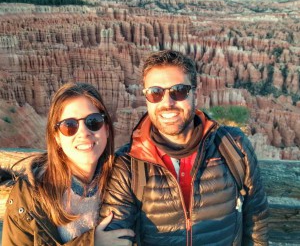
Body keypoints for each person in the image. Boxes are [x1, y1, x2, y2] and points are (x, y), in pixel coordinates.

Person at [100, 50, 269, 245]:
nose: (167, 103)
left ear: (195, 92)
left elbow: (256, 219)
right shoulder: (128, 164)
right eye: (155, 93)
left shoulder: (233, 147)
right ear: (145, 97)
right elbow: (115, 232)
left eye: (179, 91)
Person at [2, 82, 134, 245]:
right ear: (56, 136)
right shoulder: (29, 196)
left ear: (106, 128)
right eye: (69, 126)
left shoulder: (124, 179)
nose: (84, 133)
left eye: (93, 121)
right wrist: (91, 242)